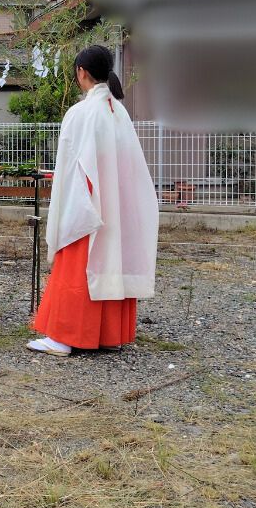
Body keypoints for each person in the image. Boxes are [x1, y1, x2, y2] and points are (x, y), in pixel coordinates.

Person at [28, 45, 159, 356]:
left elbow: (73, 167)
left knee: (78, 268)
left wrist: (70, 211)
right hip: (117, 205)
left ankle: (63, 336)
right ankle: (108, 335)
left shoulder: (82, 113)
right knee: (110, 263)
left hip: (89, 205)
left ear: (81, 72)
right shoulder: (119, 112)